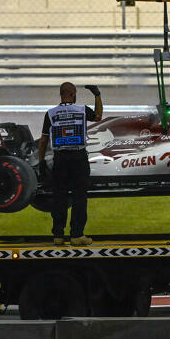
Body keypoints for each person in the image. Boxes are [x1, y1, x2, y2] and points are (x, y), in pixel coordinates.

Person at [36, 82, 103, 246]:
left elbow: (44, 140)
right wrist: (97, 95)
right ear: (73, 94)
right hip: (78, 157)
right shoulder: (81, 109)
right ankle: (77, 235)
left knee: (59, 196)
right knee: (79, 196)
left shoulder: (51, 113)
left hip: (60, 159)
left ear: (61, 94)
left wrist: (41, 161)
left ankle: (58, 235)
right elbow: (99, 116)